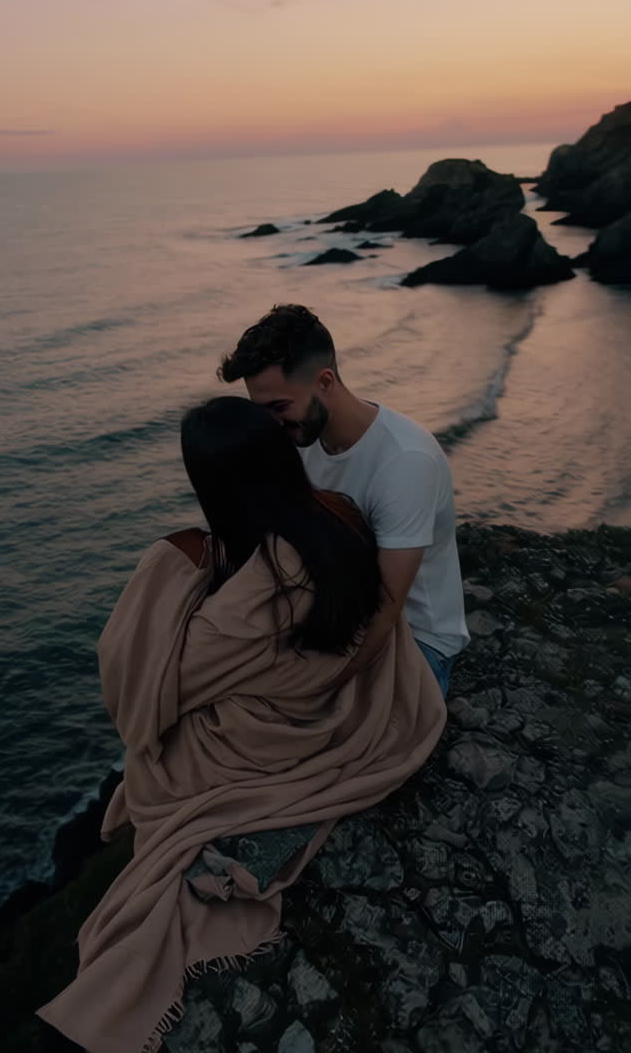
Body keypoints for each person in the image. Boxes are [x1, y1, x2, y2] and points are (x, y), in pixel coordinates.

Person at [38, 397, 445, 1053]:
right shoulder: (335, 517)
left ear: (214, 485)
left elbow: (149, 692)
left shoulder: (251, 600)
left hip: (278, 737)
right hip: (347, 704)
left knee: (158, 759)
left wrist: (166, 569)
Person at [218, 304, 469, 696]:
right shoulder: (301, 439)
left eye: (278, 407)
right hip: (335, 614)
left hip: (416, 637)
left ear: (325, 382)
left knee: (290, 718)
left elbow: (387, 609)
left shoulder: (405, 462)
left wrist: (324, 688)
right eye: (261, 410)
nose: (270, 424)